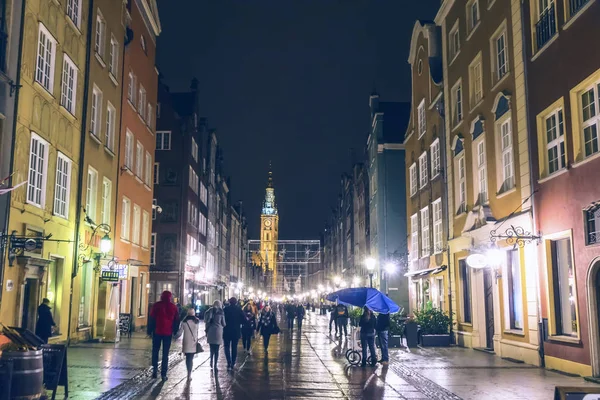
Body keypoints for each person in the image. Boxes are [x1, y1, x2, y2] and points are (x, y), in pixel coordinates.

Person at [148, 291, 179, 380]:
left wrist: (150, 331)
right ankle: (163, 374)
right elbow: (176, 320)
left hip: (157, 332)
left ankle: (154, 370)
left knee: (155, 351)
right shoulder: (173, 307)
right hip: (168, 333)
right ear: (170, 297)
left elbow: (152, 319)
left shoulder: (156, 306)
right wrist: (174, 331)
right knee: (165, 354)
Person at [223, 297, 246, 370]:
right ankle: (233, 362)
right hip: (236, 331)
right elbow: (244, 320)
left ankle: (228, 361)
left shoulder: (225, 309)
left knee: (226, 346)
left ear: (229, 302)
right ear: (236, 302)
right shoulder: (239, 309)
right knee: (234, 347)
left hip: (226, 331)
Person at [204, 300, 226, 370]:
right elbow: (223, 323)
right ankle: (215, 364)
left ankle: (211, 361)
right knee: (216, 350)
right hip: (218, 332)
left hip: (210, 331)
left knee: (211, 349)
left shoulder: (209, 311)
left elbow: (206, 321)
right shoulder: (221, 312)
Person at [181, 308, 200, 380]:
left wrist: (174, 336)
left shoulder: (184, 322)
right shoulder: (197, 322)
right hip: (193, 342)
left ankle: (188, 372)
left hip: (186, 342)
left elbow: (180, 332)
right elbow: (197, 331)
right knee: (190, 359)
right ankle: (189, 374)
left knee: (187, 358)